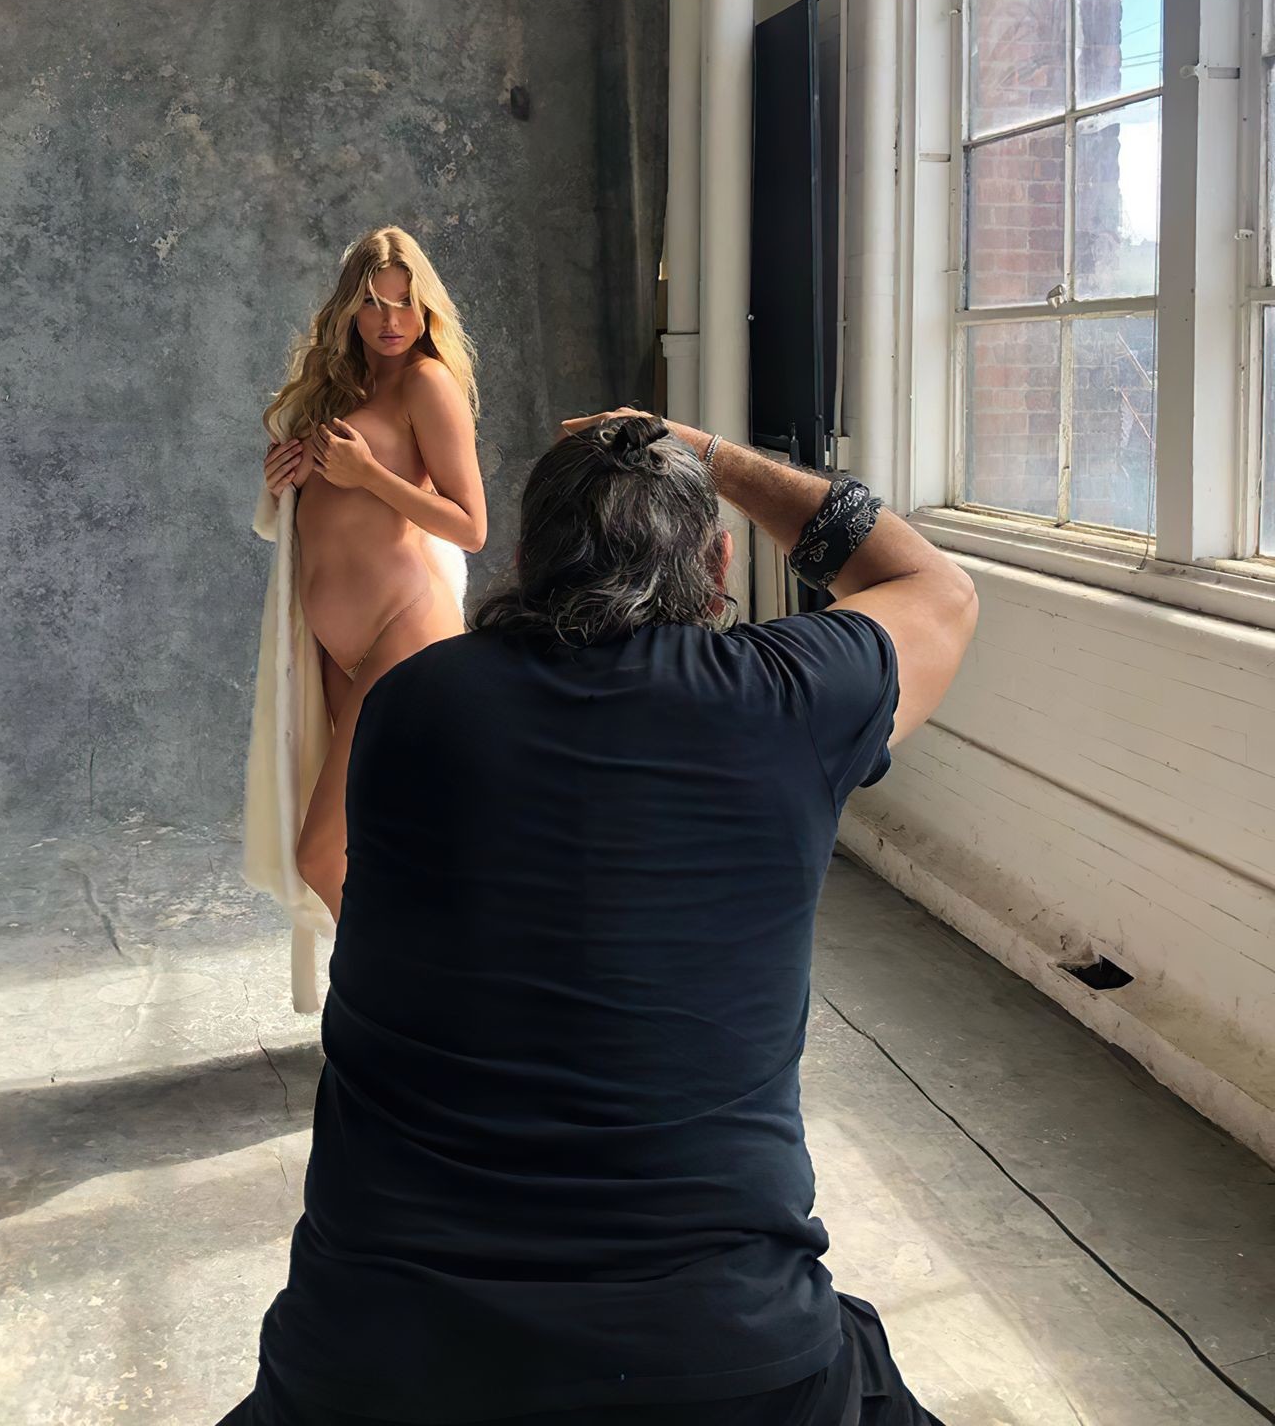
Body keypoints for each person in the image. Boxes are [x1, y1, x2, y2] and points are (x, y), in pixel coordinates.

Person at [221, 410, 978, 1426]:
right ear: (717, 565)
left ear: (525, 562)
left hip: (372, 1361)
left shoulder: (413, 704)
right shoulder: (792, 699)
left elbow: (348, 872)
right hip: (724, 1363)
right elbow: (937, 587)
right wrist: (712, 457)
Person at [253, 227, 488, 929]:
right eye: (373, 303)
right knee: (376, 842)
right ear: (349, 309)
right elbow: (305, 523)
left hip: (403, 627)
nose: (391, 320)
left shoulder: (426, 383)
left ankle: (387, 982)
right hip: (337, 648)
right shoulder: (337, 390)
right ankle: (408, 980)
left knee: (323, 854)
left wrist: (370, 475)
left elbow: (470, 526)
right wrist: (279, 486)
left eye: (405, 302)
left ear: (426, 307)